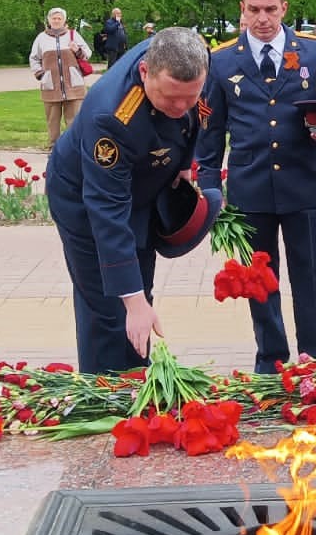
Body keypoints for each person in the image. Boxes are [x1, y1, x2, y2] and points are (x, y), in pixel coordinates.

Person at [196, 0, 316, 373]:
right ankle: (272, 361)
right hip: (250, 190)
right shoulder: (223, 59)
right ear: (242, 10)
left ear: (284, 8)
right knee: (259, 282)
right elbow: (209, 131)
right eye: (254, 10)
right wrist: (210, 192)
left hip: (303, 187)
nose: (262, 18)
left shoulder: (314, 53)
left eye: (270, 9)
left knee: (313, 278)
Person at [48, 28, 210, 372]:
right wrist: (133, 303)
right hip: (85, 198)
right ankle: (103, 399)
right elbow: (106, 211)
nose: (181, 109)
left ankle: (135, 386)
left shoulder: (189, 63)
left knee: (139, 292)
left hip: (140, 187)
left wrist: (182, 165)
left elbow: (196, 118)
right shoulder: (112, 116)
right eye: (171, 99)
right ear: (144, 73)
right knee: (109, 307)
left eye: (190, 98)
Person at [29, 7, 92, 150]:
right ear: (49, 20)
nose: (56, 21)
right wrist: (41, 74)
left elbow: (88, 53)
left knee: (74, 120)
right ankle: (54, 148)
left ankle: (74, 148)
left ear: (64, 20)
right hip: (51, 86)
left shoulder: (73, 35)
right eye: (54, 18)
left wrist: (77, 50)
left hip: (74, 86)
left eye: (59, 18)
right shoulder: (41, 38)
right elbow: (34, 58)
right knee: (52, 121)